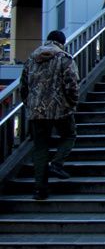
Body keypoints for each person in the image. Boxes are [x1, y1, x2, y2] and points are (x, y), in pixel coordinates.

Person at [20, 30, 79, 201]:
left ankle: (39, 189)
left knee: (40, 147)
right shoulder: (64, 58)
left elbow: (23, 85)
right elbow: (71, 84)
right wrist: (72, 102)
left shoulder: (31, 59)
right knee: (69, 134)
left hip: (36, 111)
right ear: (62, 42)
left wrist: (30, 104)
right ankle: (57, 163)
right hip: (60, 109)